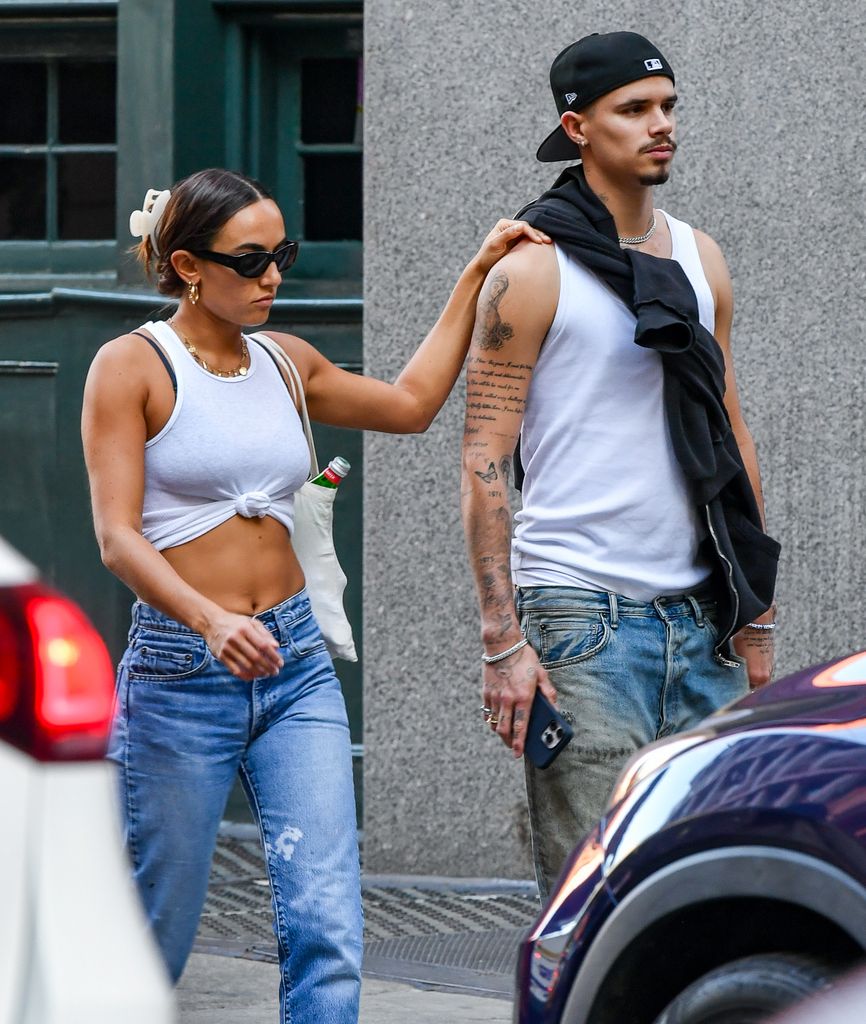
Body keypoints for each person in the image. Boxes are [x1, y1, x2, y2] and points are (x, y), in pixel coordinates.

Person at [81, 167, 550, 1023]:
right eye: (250, 260)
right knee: (157, 927)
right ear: (188, 265)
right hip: (183, 675)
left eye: (282, 256)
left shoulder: (285, 361)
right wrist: (211, 618)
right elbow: (118, 537)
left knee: (328, 918)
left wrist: (473, 276)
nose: (273, 278)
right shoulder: (131, 366)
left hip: (295, 667)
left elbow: (410, 405)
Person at [460, 32, 780, 897]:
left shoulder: (700, 259)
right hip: (580, 620)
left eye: (668, 106)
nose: (660, 124)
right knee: (593, 895)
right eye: (635, 110)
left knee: (711, 885)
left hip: (703, 613)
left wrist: (755, 617)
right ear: (577, 127)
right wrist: (504, 641)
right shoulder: (530, 272)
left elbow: (732, 436)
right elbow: (483, 459)